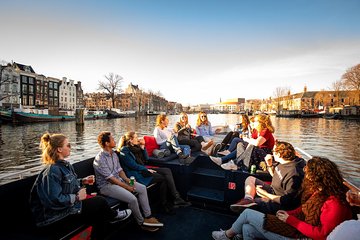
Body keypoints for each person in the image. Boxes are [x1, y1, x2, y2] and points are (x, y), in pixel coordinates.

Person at [212, 157, 352, 240]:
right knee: (247, 228)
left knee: (248, 214)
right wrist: (288, 215)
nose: (305, 176)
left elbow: (322, 235)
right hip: (297, 227)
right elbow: (303, 210)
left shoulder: (334, 204)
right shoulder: (319, 192)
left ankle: (226, 235)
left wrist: (290, 220)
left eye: (308, 173)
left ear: (316, 177)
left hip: (301, 237)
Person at [30, 133, 132, 240]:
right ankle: (114, 216)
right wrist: (77, 197)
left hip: (67, 208)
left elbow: (67, 185)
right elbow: (53, 200)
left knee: (99, 215)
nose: (70, 147)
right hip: (55, 216)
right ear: (59, 149)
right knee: (100, 201)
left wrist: (83, 181)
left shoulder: (66, 166)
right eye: (68, 145)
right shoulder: (52, 171)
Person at [93, 131, 163, 232]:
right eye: (112, 139)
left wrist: (127, 180)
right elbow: (111, 179)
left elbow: (119, 170)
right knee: (133, 199)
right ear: (107, 143)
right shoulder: (100, 159)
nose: (114, 140)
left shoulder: (113, 155)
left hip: (119, 180)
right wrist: (127, 187)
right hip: (107, 186)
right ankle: (141, 223)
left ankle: (148, 216)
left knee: (142, 188)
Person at [118, 131, 191, 214]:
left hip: (143, 169)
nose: (138, 138)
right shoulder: (125, 151)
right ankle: (166, 203)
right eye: (136, 137)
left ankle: (176, 197)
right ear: (130, 140)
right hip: (137, 174)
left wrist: (143, 147)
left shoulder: (136, 147)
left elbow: (146, 159)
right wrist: (146, 169)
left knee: (167, 170)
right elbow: (133, 165)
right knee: (163, 178)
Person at [229, 141, 306, 214]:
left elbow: (286, 201)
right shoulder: (283, 162)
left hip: (280, 201)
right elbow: (278, 176)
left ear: (279, 154)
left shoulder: (294, 174)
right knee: (250, 179)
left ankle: (248, 210)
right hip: (273, 189)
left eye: (273, 151)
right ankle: (248, 200)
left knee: (255, 202)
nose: (272, 153)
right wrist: (269, 164)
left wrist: (265, 194)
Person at [210, 114, 275, 171]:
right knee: (240, 144)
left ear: (261, 123)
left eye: (255, 121)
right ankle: (222, 160)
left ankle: (235, 163)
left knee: (251, 146)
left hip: (264, 153)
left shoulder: (266, 131)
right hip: (255, 151)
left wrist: (246, 139)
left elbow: (257, 143)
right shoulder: (256, 131)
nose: (253, 122)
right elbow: (252, 140)